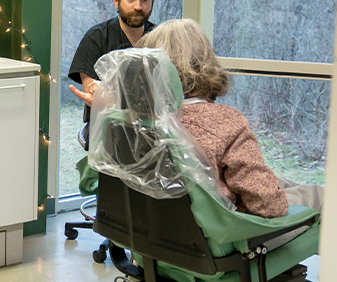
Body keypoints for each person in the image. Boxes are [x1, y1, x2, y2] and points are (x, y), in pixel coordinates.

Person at [136, 18, 324, 218]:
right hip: (229, 234)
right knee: (321, 194)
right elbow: (269, 207)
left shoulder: (136, 119)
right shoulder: (226, 121)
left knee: (280, 182)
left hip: (163, 227)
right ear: (204, 61)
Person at [68, 0, 159, 150]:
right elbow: (94, 93)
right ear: (116, 1)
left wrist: (113, 98)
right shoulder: (97, 38)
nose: (138, 7)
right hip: (108, 132)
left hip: (153, 132)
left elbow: (169, 94)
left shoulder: (160, 38)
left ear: (153, 1)